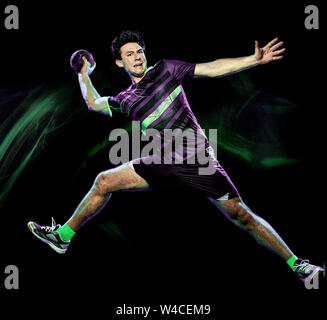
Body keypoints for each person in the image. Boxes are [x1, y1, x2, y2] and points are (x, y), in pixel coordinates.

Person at [28, 30, 323, 284]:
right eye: (129, 54)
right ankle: (63, 236)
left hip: (197, 159)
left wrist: (252, 60)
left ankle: (298, 265)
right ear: (120, 62)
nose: (137, 56)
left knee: (242, 216)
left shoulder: (166, 70)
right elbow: (93, 103)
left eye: (139, 51)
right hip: (163, 161)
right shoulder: (125, 100)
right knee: (103, 181)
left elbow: (211, 68)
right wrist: (83, 75)